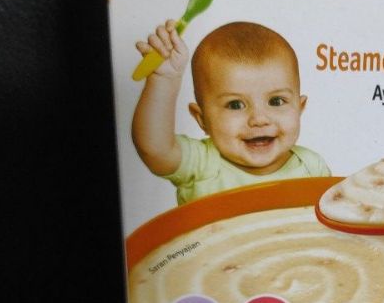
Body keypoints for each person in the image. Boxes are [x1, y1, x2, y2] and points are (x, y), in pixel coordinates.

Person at [132, 20, 329, 204]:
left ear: (300, 108)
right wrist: (164, 80)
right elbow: (155, 149)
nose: (259, 119)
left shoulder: (311, 168)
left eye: (276, 101)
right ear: (202, 119)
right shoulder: (202, 163)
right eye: (235, 105)